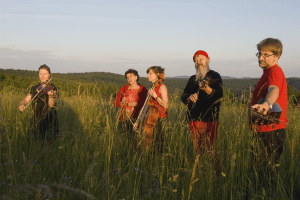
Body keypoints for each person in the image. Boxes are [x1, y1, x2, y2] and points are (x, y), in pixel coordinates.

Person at [249, 38, 288, 179]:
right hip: (264, 129)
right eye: (259, 54)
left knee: (266, 174)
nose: (261, 58)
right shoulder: (267, 73)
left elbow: (274, 89)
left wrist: (267, 105)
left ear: (277, 56)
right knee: (261, 171)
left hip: (271, 131)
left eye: (266, 55)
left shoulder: (274, 72)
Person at [181, 50, 223, 166]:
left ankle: (216, 175)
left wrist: (207, 89)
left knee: (210, 150)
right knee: (197, 150)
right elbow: (183, 96)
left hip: (209, 118)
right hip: (193, 118)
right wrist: (189, 98)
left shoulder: (214, 75)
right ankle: (201, 173)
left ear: (208, 60)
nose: (198, 62)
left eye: (201, 59)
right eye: (196, 60)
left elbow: (219, 94)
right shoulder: (192, 78)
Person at [19, 64, 59, 142]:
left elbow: (51, 105)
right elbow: (26, 100)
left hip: (49, 121)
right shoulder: (35, 88)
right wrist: (22, 104)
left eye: (45, 74)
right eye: (40, 74)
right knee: (32, 143)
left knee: (47, 148)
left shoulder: (52, 88)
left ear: (49, 75)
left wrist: (50, 96)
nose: (42, 76)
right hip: (35, 120)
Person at [138, 66, 168, 153]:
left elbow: (165, 105)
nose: (148, 75)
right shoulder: (152, 87)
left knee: (158, 144)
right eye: (148, 73)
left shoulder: (162, 87)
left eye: (150, 73)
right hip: (150, 118)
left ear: (158, 74)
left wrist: (155, 95)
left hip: (159, 118)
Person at [114, 69, 148, 135]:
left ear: (136, 77)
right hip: (124, 118)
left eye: (130, 76)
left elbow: (146, 105)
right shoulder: (124, 88)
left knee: (134, 138)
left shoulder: (143, 90)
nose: (129, 79)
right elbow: (115, 103)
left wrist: (137, 104)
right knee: (123, 138)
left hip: (137, 120)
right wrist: (121, 103)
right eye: (127, 77)